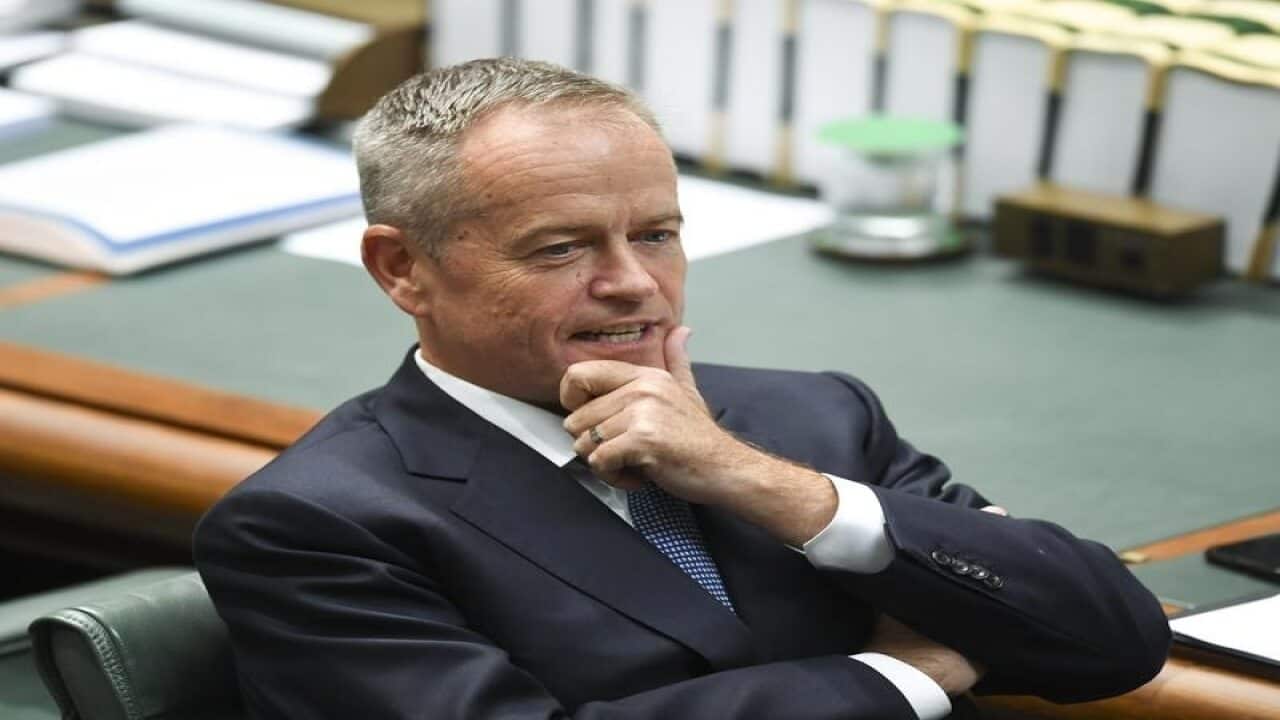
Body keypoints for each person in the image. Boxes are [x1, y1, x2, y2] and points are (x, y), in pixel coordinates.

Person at [194, 58, 1169, 720]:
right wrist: (903, 674)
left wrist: (766, 485)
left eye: (655, 234)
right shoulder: (315, 526)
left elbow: (1112, 640)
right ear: (402, 268)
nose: (632, 283)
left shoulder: (810, 419)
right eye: (562, 248)